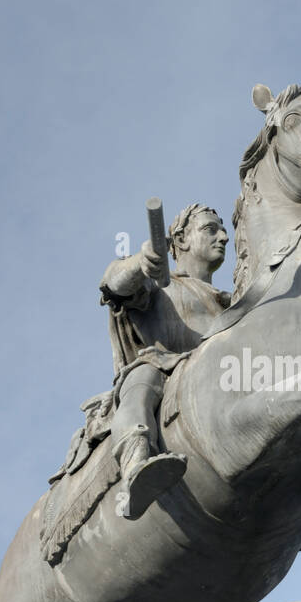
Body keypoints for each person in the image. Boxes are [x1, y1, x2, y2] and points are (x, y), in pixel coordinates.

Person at [99, 204, 231, 518]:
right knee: (142, 379)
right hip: (162, 366)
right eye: (211, 229)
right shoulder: (161, 286)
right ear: (182, 239)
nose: (224, 237)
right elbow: (114, 283)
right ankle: (135, 464)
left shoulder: (232, 303)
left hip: (222, 376)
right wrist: (141, 262)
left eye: (223, 230)